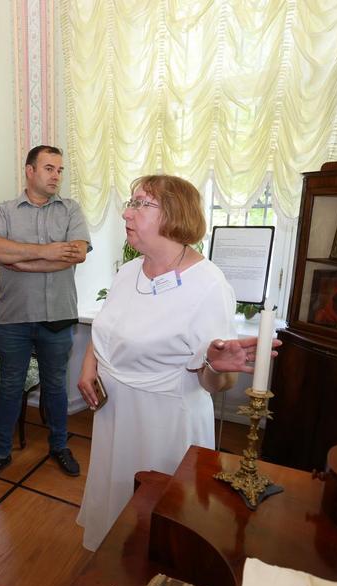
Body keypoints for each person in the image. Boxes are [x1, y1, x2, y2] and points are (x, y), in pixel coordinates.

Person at [75, 175, 279, 551]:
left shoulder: (209, 285)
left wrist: (215, 365)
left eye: (140, 204)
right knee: (117, 494)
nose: (127, 212)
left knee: (159, 513)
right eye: (130, 202)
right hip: (115, 413)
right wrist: (90, 366)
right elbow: (107, 328)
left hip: (163, 421)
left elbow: (216, 384)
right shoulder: (128, 272)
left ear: (173, 214)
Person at [0, 145, 90, 482]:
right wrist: (48, 252)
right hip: (14, 316)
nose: (56, 175)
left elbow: (77, 253)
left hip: (58, 315)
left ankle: (59, 446)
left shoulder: (71, 210)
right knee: (10, 387)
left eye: (60, 170)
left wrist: (18, 260)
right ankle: (1, 452)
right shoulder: (4, 211)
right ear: (30, 171)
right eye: (49, 168)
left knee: (56, 386)